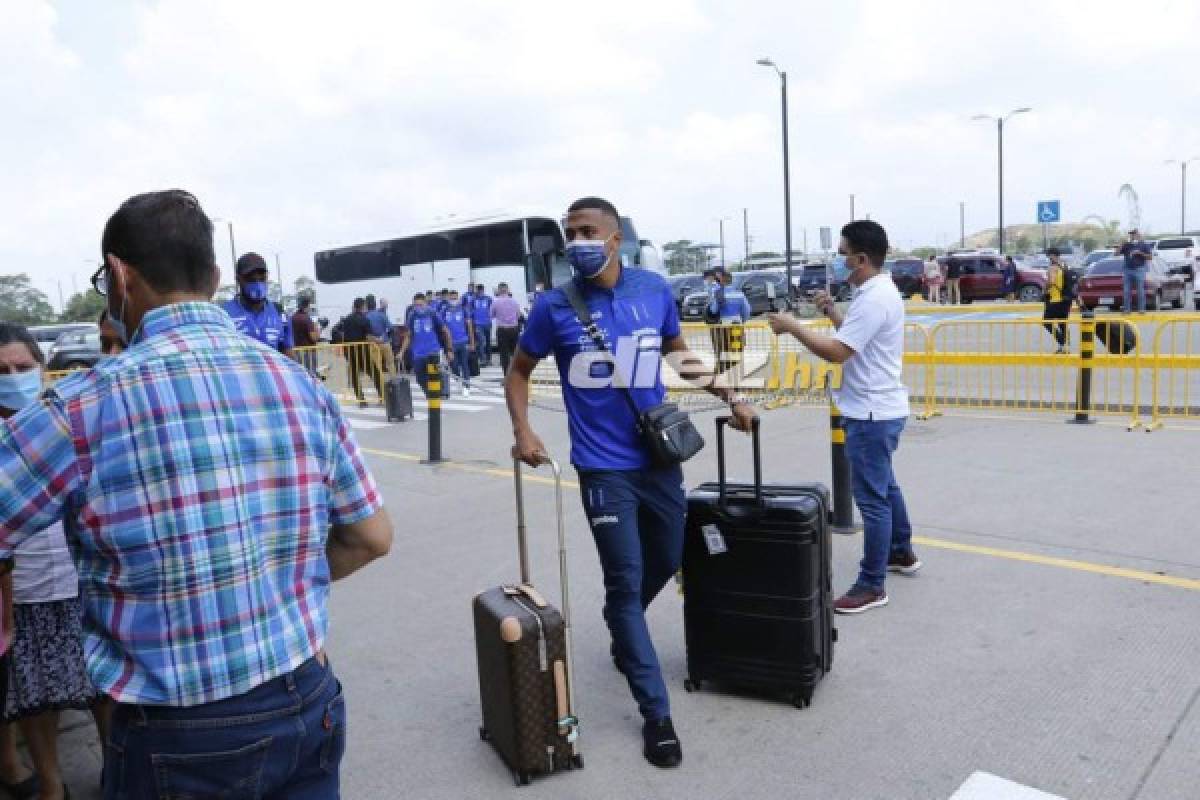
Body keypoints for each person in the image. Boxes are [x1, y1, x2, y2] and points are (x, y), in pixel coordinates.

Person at [0, 189, 393, 799]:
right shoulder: (296, 382)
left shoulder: (82, 408)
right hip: (305, 696)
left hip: (177, 733)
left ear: (120, 277)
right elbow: (372, 537)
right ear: (213, 277)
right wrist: (272, 587)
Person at [506, 196, 757, 769]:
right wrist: (523, 430)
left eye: (587, 230)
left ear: (615, 238)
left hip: (659, 458)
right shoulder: (554, 306)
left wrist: (731, 394)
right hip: (602, 468)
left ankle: (624, 625)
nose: (576, 242)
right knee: (624, 583)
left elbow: (678, 353)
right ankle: (656, 714)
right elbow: (518, 370)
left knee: (666, 563)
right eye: (569, 233)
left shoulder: (653, 290)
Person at [767, 220, 919, 615]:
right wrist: (832, 311)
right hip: (880, 407)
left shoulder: (872, 298)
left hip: (870, 412)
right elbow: (855, 342)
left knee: (872, 500)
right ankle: (900, 551)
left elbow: (838, 353)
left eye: (841, 253)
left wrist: (793, 326)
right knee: (886, 485)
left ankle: (872, 584)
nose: (838, 260)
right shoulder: (878, 292)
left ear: (861, 258)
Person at [0, 323, 102, 800]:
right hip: (20, 592)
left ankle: (116, 770)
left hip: (78, 578)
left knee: (98, 685)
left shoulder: (63, 420)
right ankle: (52, 785)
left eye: (22, 367)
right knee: (34, 697)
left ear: (41, 369)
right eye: (2, 370)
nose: (14, 377)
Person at [221, 252, 294, 358]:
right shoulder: (224, 313)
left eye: (262, 279)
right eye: (251, 280)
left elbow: (289, 357)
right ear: (238, 280)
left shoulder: (279, 313)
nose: (258, 284)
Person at [399, 292, 454, 397]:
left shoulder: (433, 313)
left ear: (425, 303)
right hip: (418, 353)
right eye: (416, 305)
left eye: (420, 305)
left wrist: (449, 349)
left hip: (432, 351)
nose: (418, 308)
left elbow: (445, 331)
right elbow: (408, 336)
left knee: (436, 376)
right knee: (420, 378)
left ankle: (438, 395)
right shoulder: (412, 316)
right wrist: (401, 352)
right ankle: (430, 395)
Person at [339, 297, 383, 408]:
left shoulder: (347, 319)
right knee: (375, 373)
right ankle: (382, 395)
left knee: (354, 375)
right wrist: (378, 340)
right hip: (362, 351)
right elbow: (368, 336)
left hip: (350, 351)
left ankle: (361, 400)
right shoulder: (365, 320)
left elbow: (343, 335)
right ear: (363, 307)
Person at [709, 268, 751, 377]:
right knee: (736, 352)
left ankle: (722, 378)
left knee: (724, 352)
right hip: (737, 326)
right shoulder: (740, 295)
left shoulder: (719, 294)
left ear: (722, 281)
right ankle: (736, 377)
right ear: (731, 280)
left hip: (723, 328)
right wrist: (742, 321)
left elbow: (713, 310)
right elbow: (747, 311)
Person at [442, 289, 475, 396]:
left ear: (458, 298)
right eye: (451, 298)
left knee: (465, 364)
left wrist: (472, 342)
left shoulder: (463, 309)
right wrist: (444, 345)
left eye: (455, 297)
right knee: (454, 365)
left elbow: (469, 326)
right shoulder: (444, 310)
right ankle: (457, 379)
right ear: (448, 298)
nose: (453, 299)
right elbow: (442, 328)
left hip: (463, 341)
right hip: (450, 343)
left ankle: (466, 386)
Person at [1117, 228, 1153, 313]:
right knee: (1126, 291)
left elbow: (1150, 257)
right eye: (1131, 234)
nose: (1132, 236)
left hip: (1139, 269)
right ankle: (1127, 309)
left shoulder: (1143, 245)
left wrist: (1140, 253)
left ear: (1138, 235)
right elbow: (1116, 254)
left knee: (1140, 290)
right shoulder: (1127, 245)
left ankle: (1141, 309)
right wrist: (1121, 244)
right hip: (1127, 270)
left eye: (1134, 234)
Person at [1042, 248, 1071, 354]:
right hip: (1066, 299)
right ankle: (1065, 347)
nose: (1048, 258)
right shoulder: (1065, 265)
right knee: (1062, 323)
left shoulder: (1053, 267)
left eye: (1048, 256)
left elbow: (1051, 281)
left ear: (1053, 255)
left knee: (1046, 321)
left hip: (1056, 299)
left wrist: (1044, 290)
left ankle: (1062, 342)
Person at [490, 283, 523, 374]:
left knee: (504, 355)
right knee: (515, 353)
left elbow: (491, 315)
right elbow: (519, 315)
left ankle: (507, 376)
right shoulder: (514, 301)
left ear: (499, 290)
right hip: (514, 329)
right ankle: (518, 375)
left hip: (502, 330)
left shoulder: (495, 302)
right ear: (508, 290)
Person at [291, 294, 321, 373]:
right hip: (308, 353)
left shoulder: (293, 317)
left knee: (300, 375)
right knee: (311, 375)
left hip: (297, 352)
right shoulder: (306, 319)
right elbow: (314, 338)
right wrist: (318, 329)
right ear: (308, 305)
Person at [469, 285, 494, 367]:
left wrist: (490, 319)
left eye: (481, 290)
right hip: (478, 324)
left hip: (487, 323)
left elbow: (492, 309)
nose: (479, 291)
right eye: (478, 290)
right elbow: (470, 310)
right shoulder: (473, 300)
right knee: (481, 342)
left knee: (488, 342)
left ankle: (489, 359)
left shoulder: (488, 299)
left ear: (483, 290)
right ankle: (483, 360)